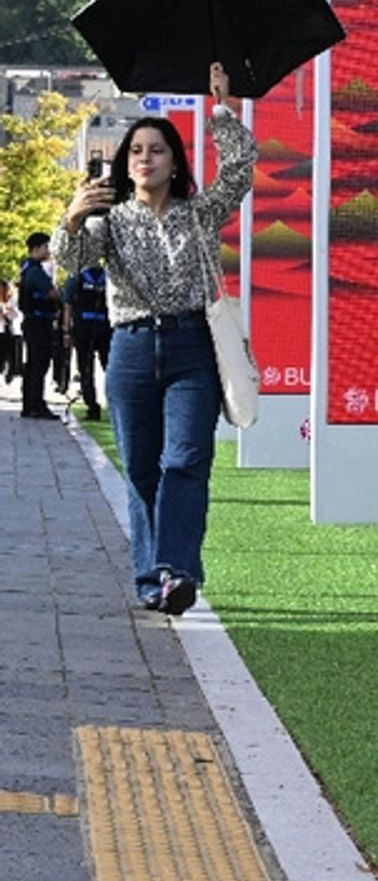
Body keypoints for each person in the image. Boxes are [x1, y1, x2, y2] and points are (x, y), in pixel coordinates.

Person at [53, 63, 255, 615]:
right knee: (142, 468)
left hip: (194, 348)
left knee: (185, 459)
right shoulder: (109, 221)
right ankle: (151, 578)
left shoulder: (198, 214)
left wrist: (219, 110)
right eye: (137, 150)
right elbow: (65, 270)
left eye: (157, 149)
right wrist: (71, 219)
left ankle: (177, 570)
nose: (146, 158)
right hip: (132, 351)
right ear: (126, 162)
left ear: (173, 161)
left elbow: (238, 172)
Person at [17, 232, 61, 419]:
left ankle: (29, 405)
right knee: (40, 364)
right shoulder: (35, 271)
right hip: (39, 322)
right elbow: (52, 294)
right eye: (46, 247)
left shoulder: (28, 269)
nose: (48, 250)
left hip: (33, 322)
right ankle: (36, 405)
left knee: (33, 364)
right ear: (36, 248)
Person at [64, 261, 112, 421]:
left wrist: (66, 329)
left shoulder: (77, 277)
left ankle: (93, 407)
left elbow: (68, 304)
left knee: (87, 369)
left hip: (86, 327)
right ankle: (106, 405)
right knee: (107, 368)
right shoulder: (108, 276)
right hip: (103, 327)